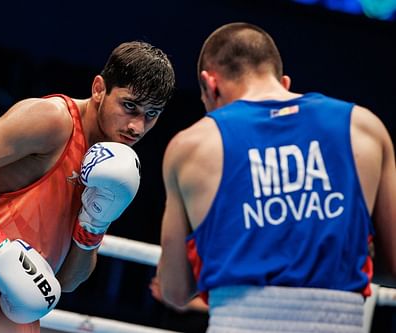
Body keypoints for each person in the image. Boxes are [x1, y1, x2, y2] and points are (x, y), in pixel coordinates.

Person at [0, 40, 175, 333]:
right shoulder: (52, 120)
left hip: (23, 313)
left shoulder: (110, 165)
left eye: (151, 114)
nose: (137, 127)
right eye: (130, 106)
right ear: (99, 89)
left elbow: (68, 282)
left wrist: (93, 225)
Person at [156, 22, 395, 333]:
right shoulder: (364, 128)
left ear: (210, 84)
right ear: (283, 82)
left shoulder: (192, 145)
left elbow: (175, 290)